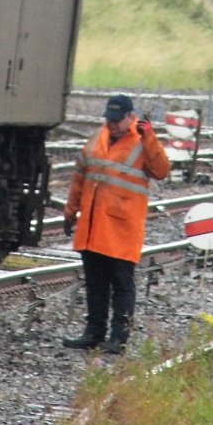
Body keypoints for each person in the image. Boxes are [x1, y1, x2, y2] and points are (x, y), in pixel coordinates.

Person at [62, 94, 171, 354]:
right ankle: (93, 333)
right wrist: (70, 211)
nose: (112, 125)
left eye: (117, 120)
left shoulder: (143, 142)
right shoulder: (97, 139)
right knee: (95, 284)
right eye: (109, 119)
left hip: (122, 230)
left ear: (130, 118)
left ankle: (118, 338)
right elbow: (80, 176)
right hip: (92, 227)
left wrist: (150, 138)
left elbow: (162, 170)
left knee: (122, 285)